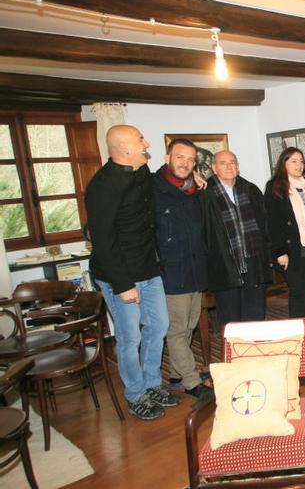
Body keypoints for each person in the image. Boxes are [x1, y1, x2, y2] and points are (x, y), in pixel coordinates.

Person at [86, 124, 181, 420]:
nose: (146, 142)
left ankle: (152, 384)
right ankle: (136, 394)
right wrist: (122, 284)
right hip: (120, 275)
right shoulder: (102, 186)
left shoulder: (141, 172)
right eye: (141, 139)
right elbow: (103, 241)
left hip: (148, 269)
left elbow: (163, 185)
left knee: (158, 327)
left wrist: (192, 177)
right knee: (130, 338)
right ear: (124, 148)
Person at [152, 138, 212, 402]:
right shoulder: (152, 188)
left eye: (190, 159)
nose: (185, 163)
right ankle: (190, 382)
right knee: (176, 329)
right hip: (170, 272)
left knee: (188, 326)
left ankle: (176, 376)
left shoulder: (196, 190)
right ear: (167, 158)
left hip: (195, 269)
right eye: (180, 157)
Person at [203, 150, 273, 327]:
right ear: (213, 168)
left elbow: (265, 226)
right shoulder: (205, 194)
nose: (229, 166)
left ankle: (256, 350)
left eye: (232, 162)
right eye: (223, 163)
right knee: (230, 318)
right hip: (225, 264)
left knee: (255, 313)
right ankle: (235, 353)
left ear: (238, 166)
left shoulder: (251, 190)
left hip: (253, 261)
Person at [264, 147, 305, 318]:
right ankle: (298, 335)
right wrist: (280, 251)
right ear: (283, 164)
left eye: (301, 161)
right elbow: (272, 223)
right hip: (292, 250)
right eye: (293, 161)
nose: (298, 165)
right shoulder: (275, 187)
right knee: (298, 292)